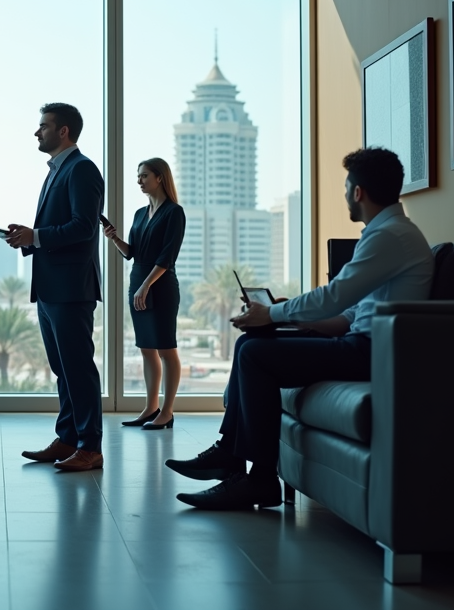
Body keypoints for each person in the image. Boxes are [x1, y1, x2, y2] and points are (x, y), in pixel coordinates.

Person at [165, 147, 434, 509]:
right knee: (252, 341)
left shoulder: (389, 236)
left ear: (358, 192)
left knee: (256, 354)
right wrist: (282, 314)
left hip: (371, 352)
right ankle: (229, 455)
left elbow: (334, 296)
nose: (345, 196)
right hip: (360, 341)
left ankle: (259, 479)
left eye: (346, 188)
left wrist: (276, 313)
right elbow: (348, 315)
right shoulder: (388, 233)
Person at [8, 103, 105, 472]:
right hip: (50, 287)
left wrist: (37, 235)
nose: (37, 132)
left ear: (63, 131)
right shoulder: (56, 172)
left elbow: (84, 226)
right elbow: (57, 230)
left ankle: (90, 447)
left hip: (70, 288)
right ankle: (67, 438)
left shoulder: (82, 170)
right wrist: (29, 239)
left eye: (43, 126)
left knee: (78, 368)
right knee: (63, 368)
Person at [104, 158, 186, 430]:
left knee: (166, 348)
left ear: (160, 177)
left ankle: (167, 411)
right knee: (146, 349)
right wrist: (114, 238)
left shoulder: (174, 212)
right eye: (138, 177)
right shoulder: (140, 213)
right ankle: (151, 408)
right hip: (138, 281)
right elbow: (132, 253)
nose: (139, 181)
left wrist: (147, 285)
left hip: (159, 285)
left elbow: (167, 256)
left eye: (144, 176)